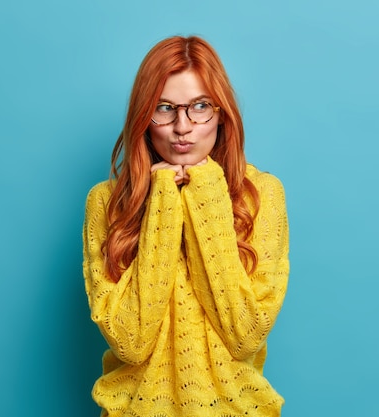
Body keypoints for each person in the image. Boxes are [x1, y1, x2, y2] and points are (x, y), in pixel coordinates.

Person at [82, 35, 290, 417]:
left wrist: (206, 188)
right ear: (144, 116)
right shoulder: (106, 203)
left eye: (199, 107)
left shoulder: (261, 195)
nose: (183, 126)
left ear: (222, 112)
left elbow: (244, 335)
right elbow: (130, 341)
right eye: (164, 108)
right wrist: (162, 201)